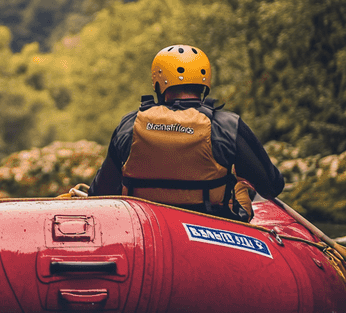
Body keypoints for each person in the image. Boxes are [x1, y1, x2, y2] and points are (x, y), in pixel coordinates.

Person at [87, 45, 284, 221]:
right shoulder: (226, 125)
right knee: (241, 186)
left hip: (144, 225)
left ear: (158, 84)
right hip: (213, 226)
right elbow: (272, 186)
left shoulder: (130, 124)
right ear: (204, 84)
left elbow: (99, 193)